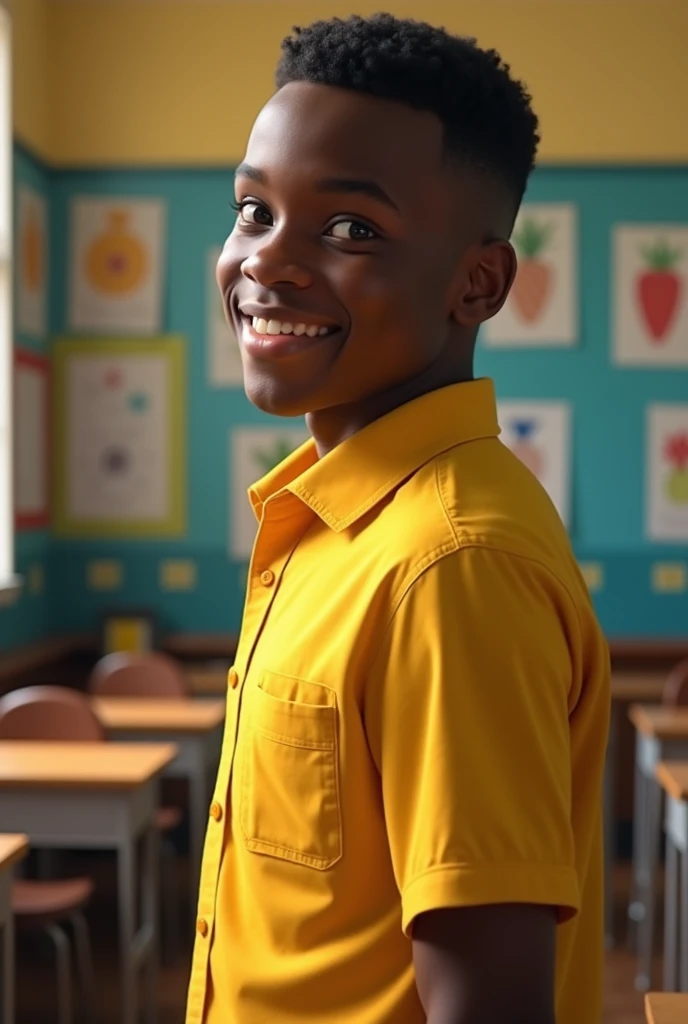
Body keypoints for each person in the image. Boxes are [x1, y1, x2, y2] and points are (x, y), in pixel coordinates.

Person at [185, 13, 610, 1024]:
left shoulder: (448, 565)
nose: (267, 264)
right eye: (252, 211)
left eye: (349, 229)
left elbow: (490, 1005)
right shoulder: (332, 522)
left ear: (479, 282)